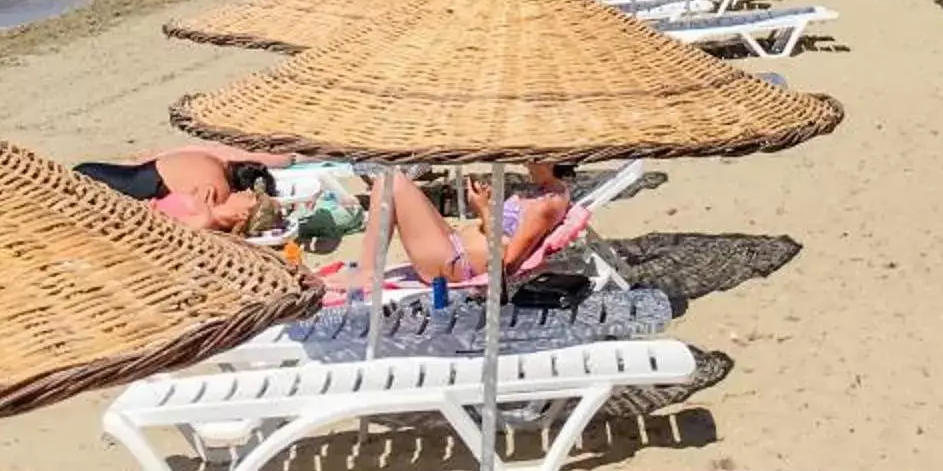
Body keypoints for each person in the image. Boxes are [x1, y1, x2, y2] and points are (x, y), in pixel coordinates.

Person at [334, 163, 572, 288]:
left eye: (531, 158)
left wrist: (483, 209)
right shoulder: (550, 193)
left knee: (389, 182)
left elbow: (506, 263)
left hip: (454, 263)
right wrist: (487, 206)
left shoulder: (547, 206)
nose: (525, 163)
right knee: (399, 181)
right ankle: (366, 269)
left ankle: (366, 272)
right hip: (454, 246)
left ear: (548, 160)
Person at [72, 149, 283, 236]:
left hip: (133, 180)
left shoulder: (213, 161)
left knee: (80, 177)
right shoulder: (219, 190)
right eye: (250, 193)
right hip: (139, 187)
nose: (246, 195)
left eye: (252, 198)